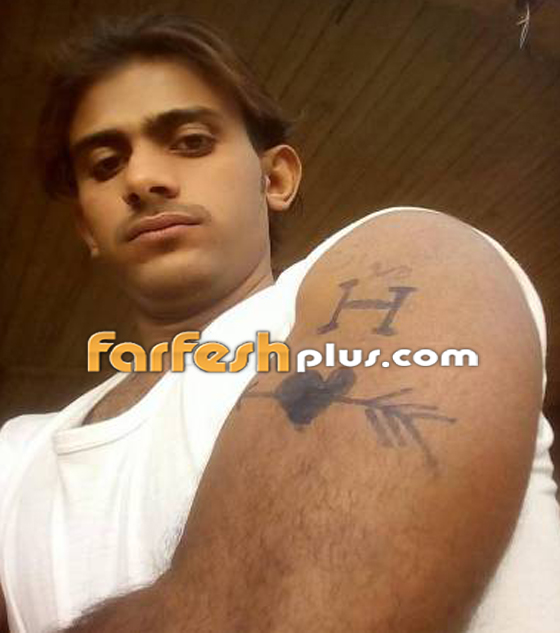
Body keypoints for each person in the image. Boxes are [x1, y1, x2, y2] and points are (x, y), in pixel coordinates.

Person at [1, 12, 559, 633]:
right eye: (106, 164)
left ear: (276, 178)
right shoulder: (16, 457)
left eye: (191, 141)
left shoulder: (408, 258)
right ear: (87, 227)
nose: (142, 180)